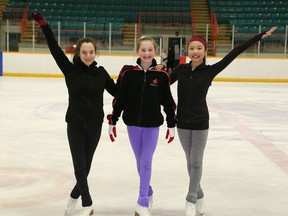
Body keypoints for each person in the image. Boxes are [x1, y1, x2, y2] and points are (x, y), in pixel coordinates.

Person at [169, 26, 277, 216]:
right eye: (192, 48)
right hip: (182, 123)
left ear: (204, 52)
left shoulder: (210, 71)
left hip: (201, 122)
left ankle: (191, 197)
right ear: (187, 50)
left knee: (196, 162)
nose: (195, 51)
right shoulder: (180, 70)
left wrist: (259, 36)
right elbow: (162, 84)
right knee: (189, 161)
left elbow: (235, 52)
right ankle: (200, 193)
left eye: (199, 48)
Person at [31, 12, 117, 216]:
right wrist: (44, 26)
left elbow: (119, 92)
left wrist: (134, 77)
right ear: (78, 53)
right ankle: (87, 203)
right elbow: (54, 48)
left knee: (86, 168)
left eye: (91, 52)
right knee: (79, 165)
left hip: (95, 125)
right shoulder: (70, 70)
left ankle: (73, 195)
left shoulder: (101, 73)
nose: (88, 55)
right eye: (84, 52)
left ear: (96, 53)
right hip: (75, 124)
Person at [107, 36, 176, 216]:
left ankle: (142, 201)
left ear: (156, 51)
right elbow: (120, 98)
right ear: (137, 51)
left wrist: (171, 124)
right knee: (139, 162)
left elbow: (168, 101)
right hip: (133, 125)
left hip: (152, 125)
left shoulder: (162, 74)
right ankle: (149, 191)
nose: (146, 53)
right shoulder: (128, 73)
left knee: (146, 161)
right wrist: (113, 119)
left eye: (150, 50)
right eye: (143, 50)